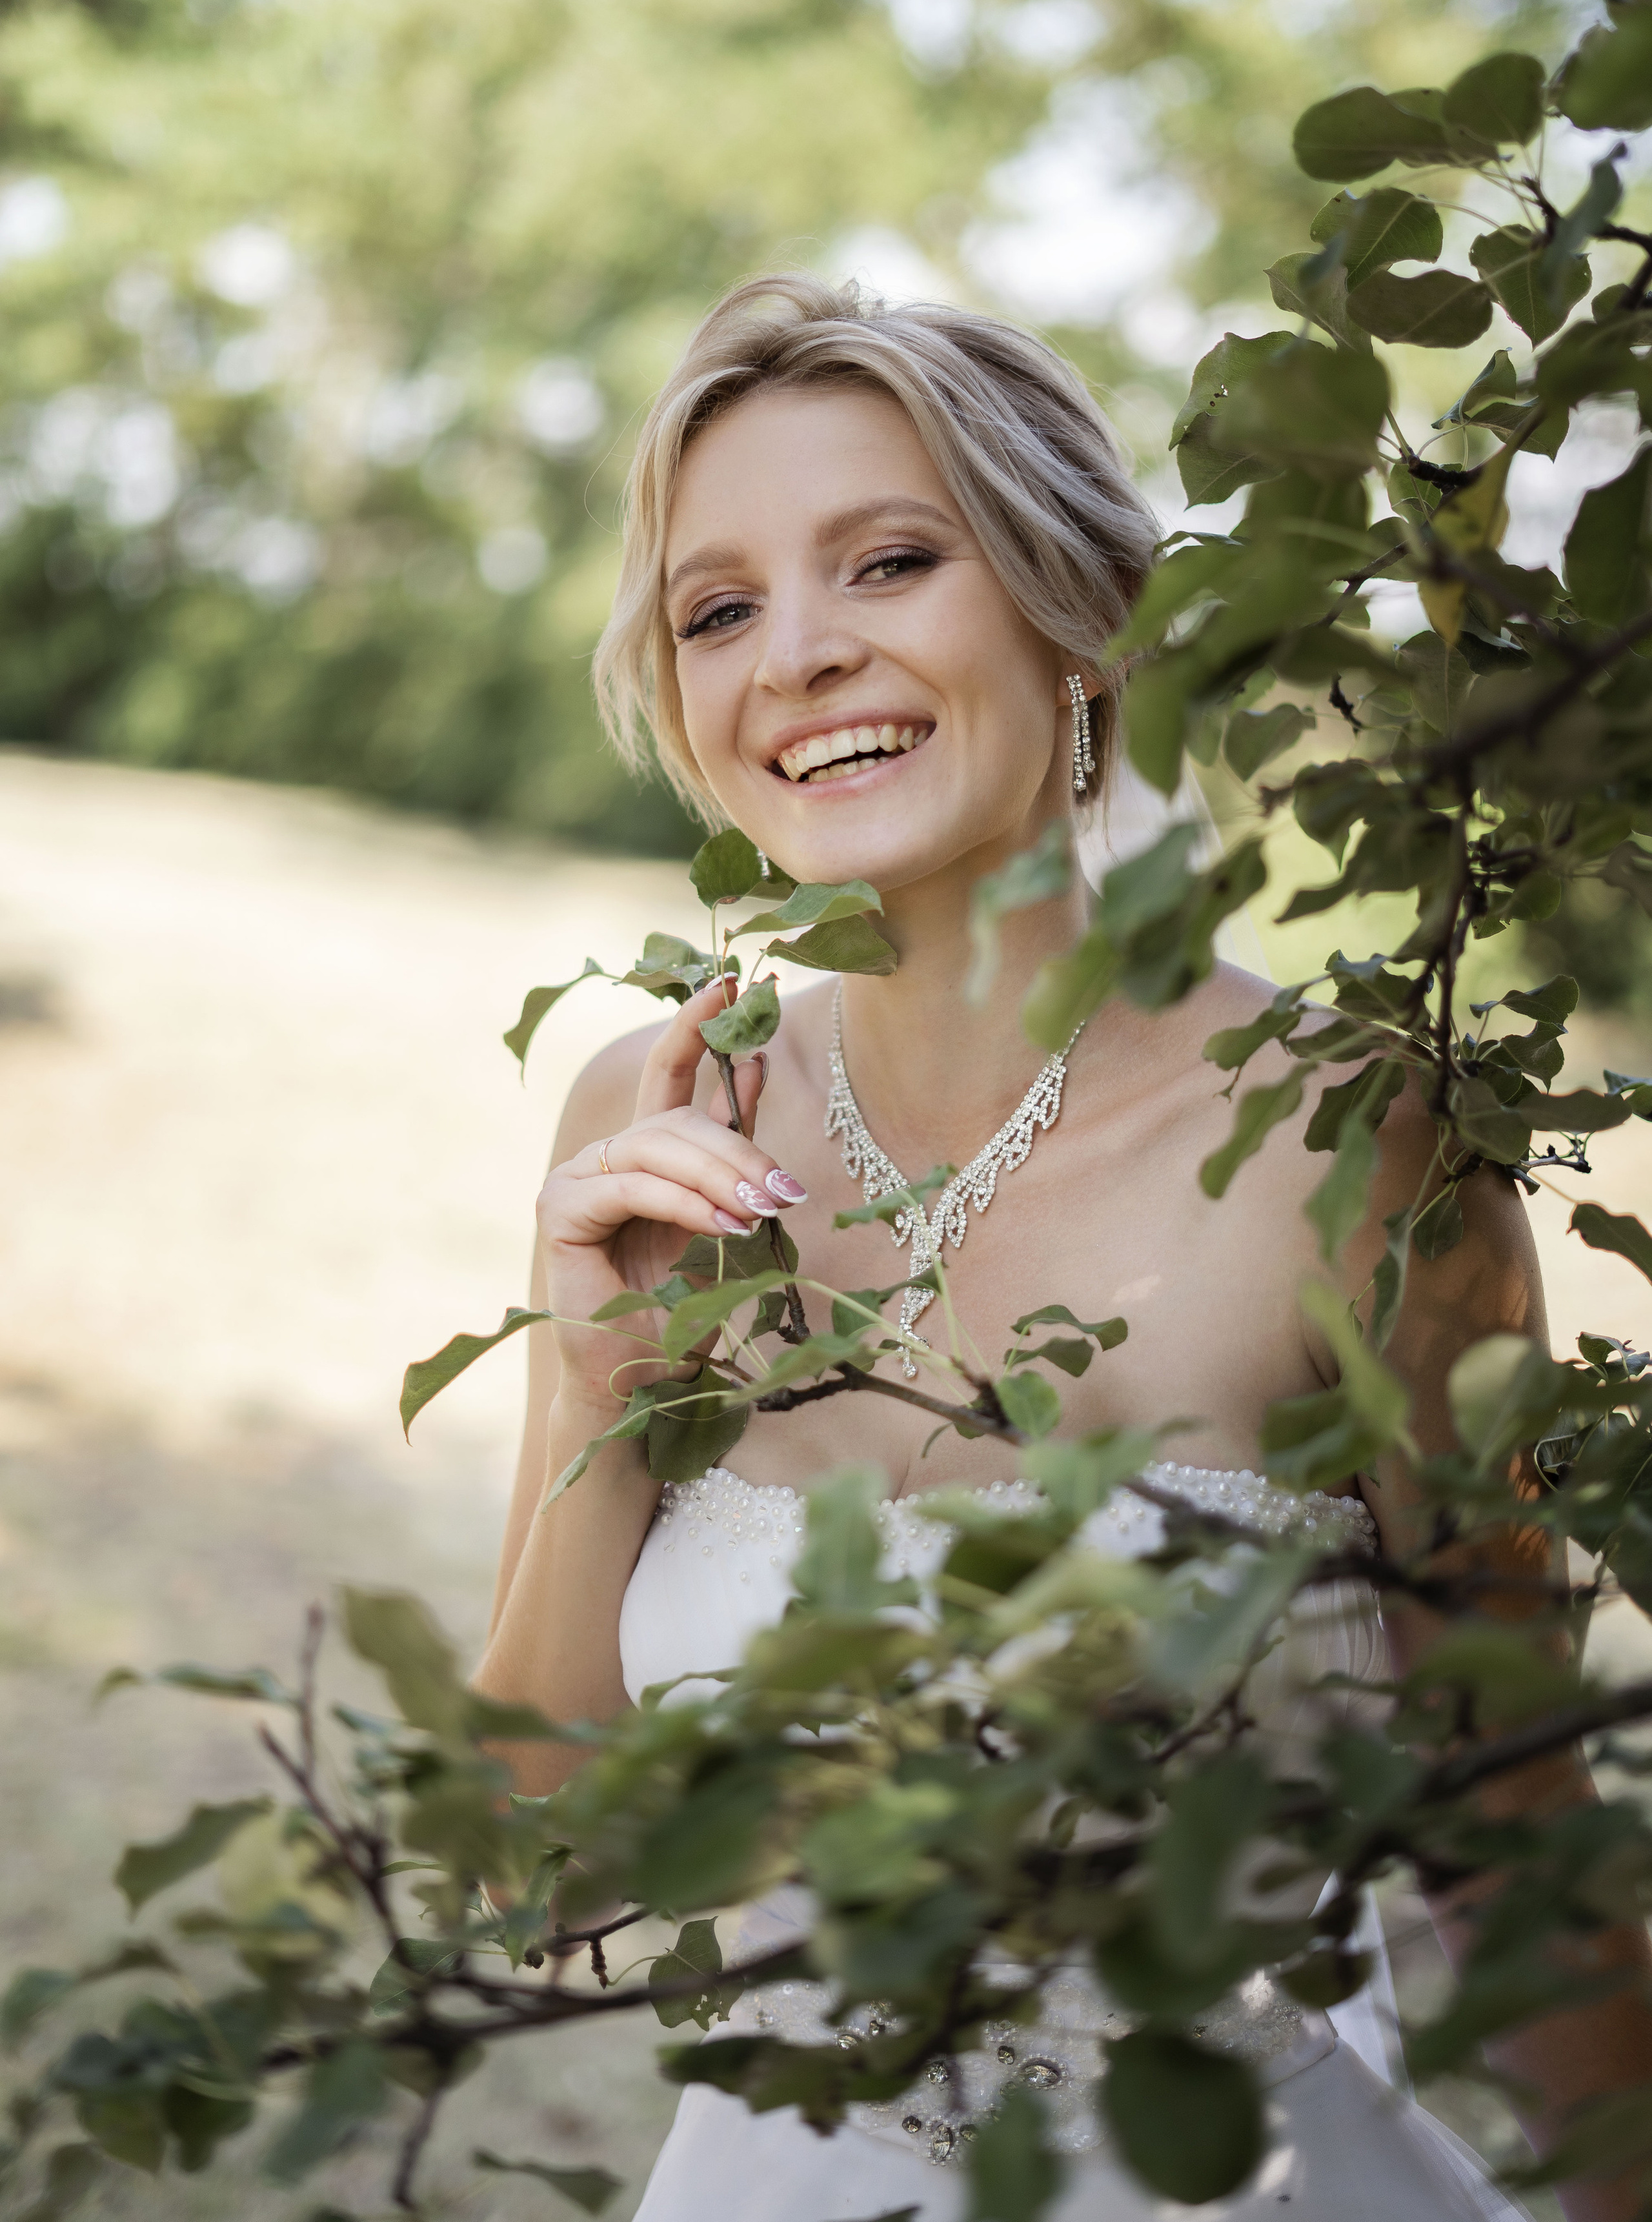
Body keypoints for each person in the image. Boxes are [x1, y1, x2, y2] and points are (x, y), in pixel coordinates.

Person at [476, 273, 1652, 2221]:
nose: (801, 657)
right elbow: (534, 1881)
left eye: (890, 561)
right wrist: (608, 1402)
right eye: (720, 608)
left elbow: (1516, 1839)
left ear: (1075, 616)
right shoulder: (653, 1120)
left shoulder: (1358, 1143)